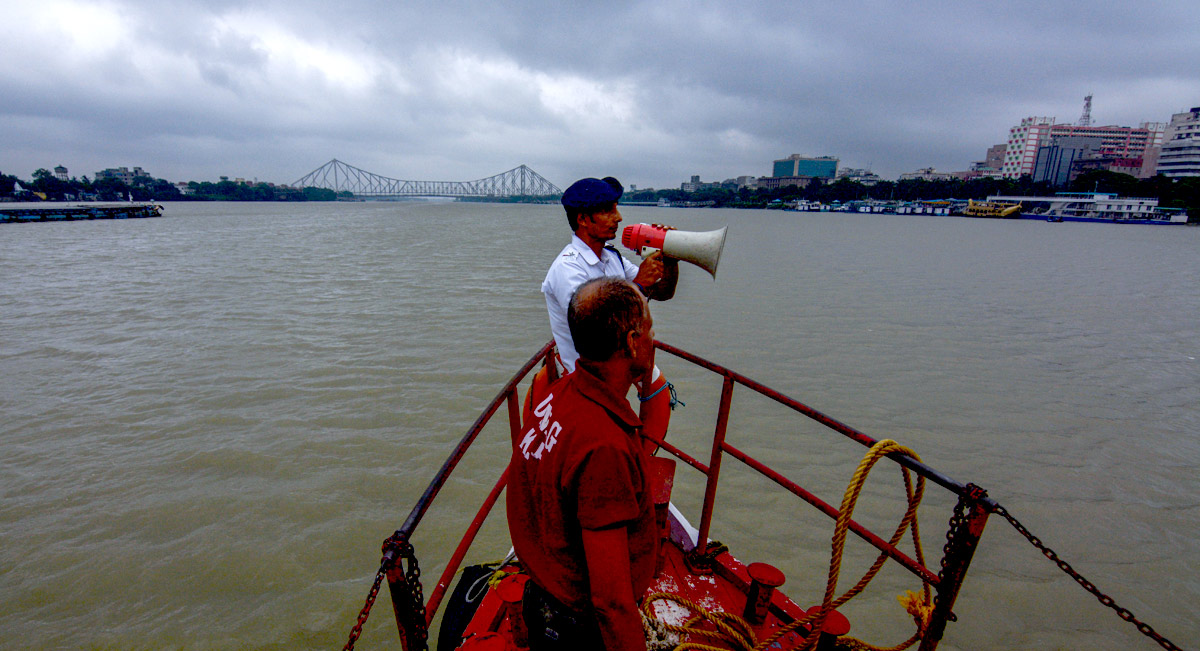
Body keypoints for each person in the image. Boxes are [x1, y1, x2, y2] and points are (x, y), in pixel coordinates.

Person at [507, 278, 659, 651]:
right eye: (651, 330)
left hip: (543, 594)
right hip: (576, 628)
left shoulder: (562, 392)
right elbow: (610, 602)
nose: (656, 341)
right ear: (630, 342)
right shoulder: (605, 445)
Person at [537, 177, 679, 446]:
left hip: (621, 360)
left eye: (616, 208)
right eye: (608, 210)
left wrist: (670, 260)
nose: (618, 217)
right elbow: (595, 328)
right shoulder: (568, 269)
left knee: (658, 394)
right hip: (589, 373)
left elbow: (662, 293)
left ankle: (640, 458)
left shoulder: (610, 257)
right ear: (583, 219)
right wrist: (638, 285)